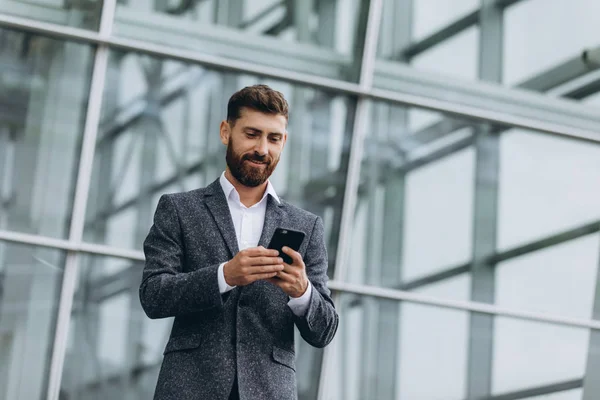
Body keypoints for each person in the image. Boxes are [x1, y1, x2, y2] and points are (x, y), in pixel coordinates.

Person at [140, 84, 339, 400]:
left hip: (270, 391)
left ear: (283, 142)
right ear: (225, 132)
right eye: (252, 134)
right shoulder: (179, 209)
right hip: (190, 388)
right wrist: (224, 276)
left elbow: (325, 330)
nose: (262, 148)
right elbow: (153, 295)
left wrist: (302, 292)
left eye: (273, 138)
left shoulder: (307, 226)